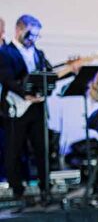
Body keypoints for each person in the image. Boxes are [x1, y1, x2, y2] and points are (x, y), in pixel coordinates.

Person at [0, 15, 88, 197]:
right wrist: (26, 94)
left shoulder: (38, 54)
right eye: (30, 34)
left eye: (36, 36)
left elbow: (51, 76)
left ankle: (45, 188)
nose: (33, 39)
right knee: (14, 151)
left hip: (37, 109)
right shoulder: (5, 53)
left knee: (42, 149)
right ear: (18, 30)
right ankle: (18, 190)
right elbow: (7, 79)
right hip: (16, 109)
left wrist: (72, 71)